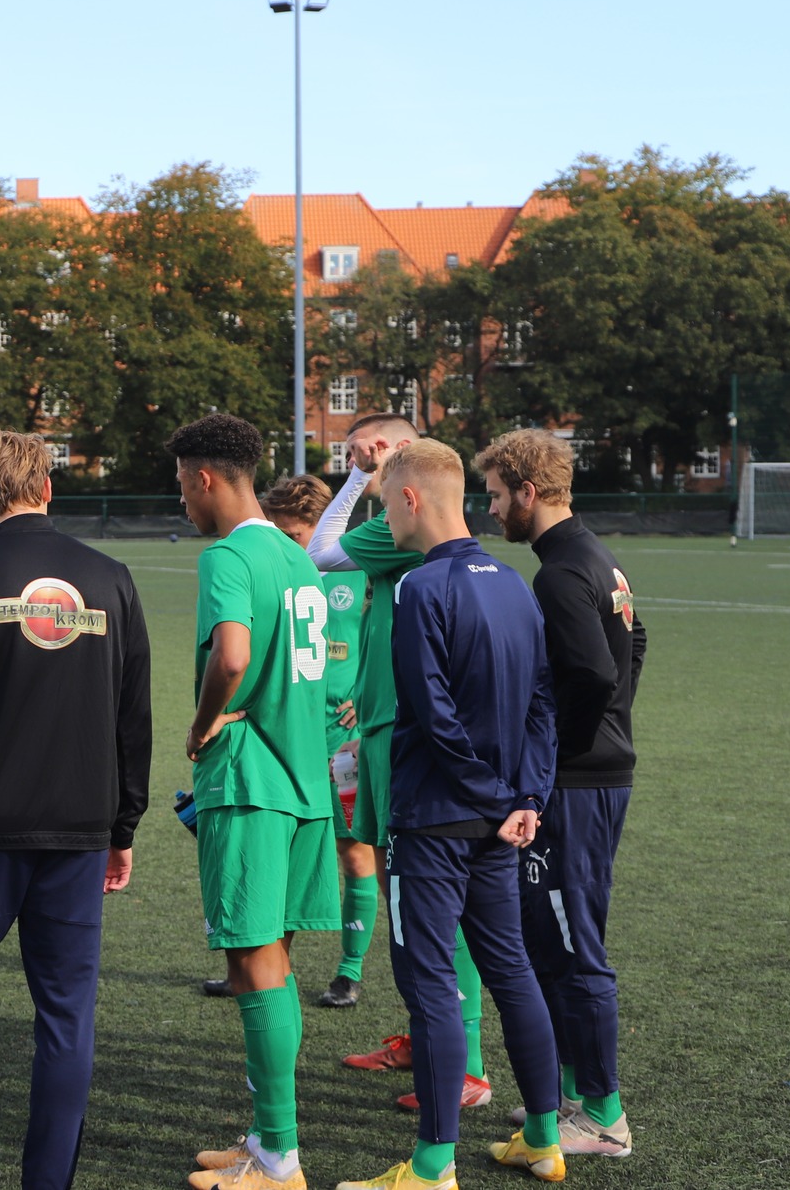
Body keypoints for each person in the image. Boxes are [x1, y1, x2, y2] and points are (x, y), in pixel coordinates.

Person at [0, 428, 151, 1190]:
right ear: (47, 488)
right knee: (66, 1015)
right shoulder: (111, 577)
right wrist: (123, 825)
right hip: (80, 830)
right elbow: (133, 715)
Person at [335, 440, 563, 1190]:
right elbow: (543, 707)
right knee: (511, 970)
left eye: (384, 504)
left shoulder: (420, 586)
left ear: (409, 499)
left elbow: (432, 713)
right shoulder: (515, 583)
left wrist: (502, 797)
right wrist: (526, 798)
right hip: (500, 823)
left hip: (434, 821)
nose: (384, 521)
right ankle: (543, 1138)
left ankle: (432, 1167)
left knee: (430, 983)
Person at [172, 415, 337, 1190]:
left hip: (251, 781)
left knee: (253, 961)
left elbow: (232, 655)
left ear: (205, 477)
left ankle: (278, 1160)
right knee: (275, 962)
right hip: (305, 782)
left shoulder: (228, 555)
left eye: (182, 484)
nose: (182, 499)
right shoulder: (298, 557)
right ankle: (269, 1137)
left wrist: (202, 724)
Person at [310, 417, 492, 1106]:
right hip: (386, 726)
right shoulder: (428, 537)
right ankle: (432, 1036)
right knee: (411, 897)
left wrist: (361, 476)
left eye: (377, 454)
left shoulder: (401, 531)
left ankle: (465, 1062)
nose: (368, 466)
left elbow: (321, 551)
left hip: (404, 732)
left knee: (432, 900)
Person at [476, 429, 645, 1159]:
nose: (491, 509)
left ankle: (604, 1115)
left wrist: (556, 758)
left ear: (528, 491)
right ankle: (574, 1094)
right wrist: (611, 724)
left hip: (577, 784)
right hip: (594, 773)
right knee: (551, 937)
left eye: (495, 495)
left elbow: (596, 674)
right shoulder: (594, 556)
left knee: (575, 944)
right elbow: (637, 643)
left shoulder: (561, 573)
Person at [262, 475, 369, 1007]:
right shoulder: (276, 571)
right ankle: (264, 965)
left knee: (353, 852)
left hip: (344, 739)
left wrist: (368, 700)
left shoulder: (361, 569)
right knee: (278, 851)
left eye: (295, 534)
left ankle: (349, 972)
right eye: (278, 533)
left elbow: (393, 638)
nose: (288, 544)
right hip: (289, 734)